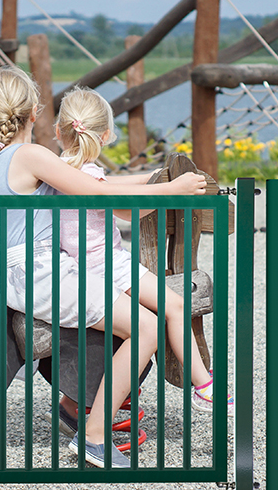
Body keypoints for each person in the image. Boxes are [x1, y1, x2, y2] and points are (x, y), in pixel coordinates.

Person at [0, 67, 208, 469]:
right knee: (146, 326)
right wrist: (170, 189)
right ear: (36, 110)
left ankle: (76, 410)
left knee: (142, 321)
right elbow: (96, 191)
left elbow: (95, 181)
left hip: (27, 273)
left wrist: (154, 179)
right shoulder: (31, 155)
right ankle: (94, 437)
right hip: (43, 273)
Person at [52, 87, 233, 427]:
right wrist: (169, 191)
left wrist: (159, 179)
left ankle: (203, 385)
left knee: (171, 307)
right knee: (174, 308)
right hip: (105, 268)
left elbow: (111, 182)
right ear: (106, 135)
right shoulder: (87, 177)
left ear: (60, 131)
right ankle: (204, 386)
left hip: (89, 268)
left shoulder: (60, 171)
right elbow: (127, 210)